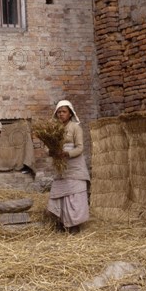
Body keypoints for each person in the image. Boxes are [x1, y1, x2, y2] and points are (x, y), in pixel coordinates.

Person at [47, 100, 90, 233]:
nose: (61, 114)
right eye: (59, 112)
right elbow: (47, 147)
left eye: (64, 112)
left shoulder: (75, 127)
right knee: (61, 194)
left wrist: (67, 153)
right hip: (61, 168)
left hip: (74, 166)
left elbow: (80, 148)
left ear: (70, 114)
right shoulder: (54, 130)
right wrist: (52, 152)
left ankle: (74, 225)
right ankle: (62, 223)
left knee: (75, 195)